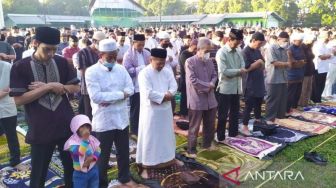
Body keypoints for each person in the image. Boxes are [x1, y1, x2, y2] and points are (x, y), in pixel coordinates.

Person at [9, 26, 80, 188]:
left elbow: (75, 88)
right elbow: (18, 100)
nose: (51, 54)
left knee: (72, 168)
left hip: (65, 124)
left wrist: (55, 86)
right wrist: (47, 88)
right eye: (47, 49)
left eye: (54, 49)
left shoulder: (62, 62)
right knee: (38, 173)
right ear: (35, 43)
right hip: (40, 127)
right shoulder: (21, 66)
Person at [85, 39, 138, 188]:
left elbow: (131, 89)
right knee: (102, 156)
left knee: (123, 151)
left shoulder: (120, 69)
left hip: (121, 118)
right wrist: (121, 95)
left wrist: (110, 97)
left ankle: (124, 177)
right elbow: (96, 97)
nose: (113, 59)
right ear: (101, 55)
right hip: (104, 121)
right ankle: (100, 183)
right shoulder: (92, 72)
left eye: (115, 56)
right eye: (110, 57)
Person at [136, 48, 179, 179]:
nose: (161, 65)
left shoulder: (167, 71)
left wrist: (170, 93)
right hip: (151, 112)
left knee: (166, 135)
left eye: (163, 62)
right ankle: (146, 165)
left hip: (165, 111)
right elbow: (147, 92)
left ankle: (170, 159)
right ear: (151, 60)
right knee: (150, 137)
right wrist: (164, 96)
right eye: (158, 62)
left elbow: (174, 85)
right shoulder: (144, 73)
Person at [185, 38, 217, 158]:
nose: (208, 53)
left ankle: (207, 144)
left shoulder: (209, 61)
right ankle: (191, 150)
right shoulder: (190, 62)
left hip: (210, 99)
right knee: (194, 126)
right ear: (198, 49)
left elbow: (215, 75)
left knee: (210, 124)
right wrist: (208, 86)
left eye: (210, 51)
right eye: (206, 51)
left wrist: (212, 83)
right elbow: (193, 80)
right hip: (196, 99)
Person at [216, 29, 246, 142]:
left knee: (235, 112)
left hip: (237, 86)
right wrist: (239, 71)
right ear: (229, 40)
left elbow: (243, 64)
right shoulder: (221, 52)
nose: (238, 45)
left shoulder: (238, 51)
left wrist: (240, 70)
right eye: (236, 42)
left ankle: (233, 133)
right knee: (223, 115)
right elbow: (224, 72)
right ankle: (221, 136)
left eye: (239, 43)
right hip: (225, 88)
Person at [123, 34, 151, 136]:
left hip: (146, 84)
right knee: (135, 108)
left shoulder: (147, 53)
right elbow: (127, 70)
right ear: (133, 43)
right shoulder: (128, 55)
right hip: (135, 84)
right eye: (139, 45)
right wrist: (141, 68)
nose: (141, 47)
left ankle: (144, 126)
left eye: (143, 45)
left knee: (146, 107)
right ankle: (134, 130)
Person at [64, 114, 101, 188]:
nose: (85, 129)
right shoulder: (71, 142)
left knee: (94, 185)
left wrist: (93, 158)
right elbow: (80, 153)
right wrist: (85, 140)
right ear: (76, 128)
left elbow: (98, 149)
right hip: (80, 173)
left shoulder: (91, 138)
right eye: (82, 127)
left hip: (93, 169)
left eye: (87, 126)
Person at [241, 32, 266, 135]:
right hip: (249, 82)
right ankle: (245, 126)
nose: (260, 46)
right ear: (253, 40)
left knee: (258, 103)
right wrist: (258, 63)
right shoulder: (245, 52)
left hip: (259, 80)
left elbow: (263, 63)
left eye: (261, 44)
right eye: (259, 43)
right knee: (249, 105)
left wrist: (260, 62)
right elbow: (246, 68)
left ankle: (258, 121)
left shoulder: (257, 51)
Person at [77, 31, 105, 120]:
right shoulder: (82, 53)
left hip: (101, 87)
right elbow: (84, 72)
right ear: (94, 41)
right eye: (100, 43)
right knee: (89, 113)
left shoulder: (102, 53)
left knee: (100, 112)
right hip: (88, 88)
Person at [264, 32, 290, 122]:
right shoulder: (271, 48)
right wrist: (287, 64)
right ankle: (269, 119)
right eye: (285, 41)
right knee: (272, 100)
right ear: (278, 39)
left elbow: (288, 63)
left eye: (287, 41)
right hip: (273, 78)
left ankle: (279, 118)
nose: (286, 43)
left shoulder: (285, 49)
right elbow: (274, 63)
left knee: (282, 100)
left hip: (283, 77)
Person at [0, 60, 20, 167]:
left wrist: (3, 92)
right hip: (6, 105)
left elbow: (13, 85)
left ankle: (15, 159)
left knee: (11, 135)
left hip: (7, 106)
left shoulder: (8, 66)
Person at [178, 39, 198, 119]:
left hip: (192, 79)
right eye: (195, 48)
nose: (196, 50)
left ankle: (188, 114)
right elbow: (188, 68)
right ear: (191, 45)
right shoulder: (184, 54)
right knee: (184, 98)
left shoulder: (194, 54)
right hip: (185, 79)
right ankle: (183, 115)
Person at [287, 33, 306, 113]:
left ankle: (294, 107)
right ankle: (288, 108)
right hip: (292, 75)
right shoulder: (290, 49)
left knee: (298, 92)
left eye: (301, 41)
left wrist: (299, 62)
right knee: (291, 93)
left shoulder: (300, 48)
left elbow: (304, 60)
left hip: (300, 74)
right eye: (299, 41)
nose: (301, 42)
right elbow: (292, 63)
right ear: (294, 40)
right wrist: (300, 62)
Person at [311, 31, 332, 103]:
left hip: (324, 68)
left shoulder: (324, 45)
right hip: (318, 68)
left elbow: (329, 55)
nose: (328, 38)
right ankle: (315, 100)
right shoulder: (317, 45)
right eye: (327, 36)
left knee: (321, 86)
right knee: (317, 86)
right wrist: (328, 55)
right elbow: (321, 57)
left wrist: (328, 55)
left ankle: (318, 99)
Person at [299, 34, 316, 106]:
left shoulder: (309, 47)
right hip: (305, 71)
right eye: (312, 41)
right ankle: (301, 103)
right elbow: (305, 58)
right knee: (304, 89)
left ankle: (306, 102)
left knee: (309, 88)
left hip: (310, 70)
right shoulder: (302, 47)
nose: (313, 42)